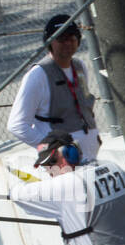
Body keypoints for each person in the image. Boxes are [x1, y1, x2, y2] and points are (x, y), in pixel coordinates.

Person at [8, 13, 100, 162]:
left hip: (90, 155)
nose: (68, 43)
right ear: (50, 42)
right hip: (63, 161)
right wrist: (52, 149)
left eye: (72, 38)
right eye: (61, 39)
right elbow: (17, 125)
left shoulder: (79, 66)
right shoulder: (38, 75)